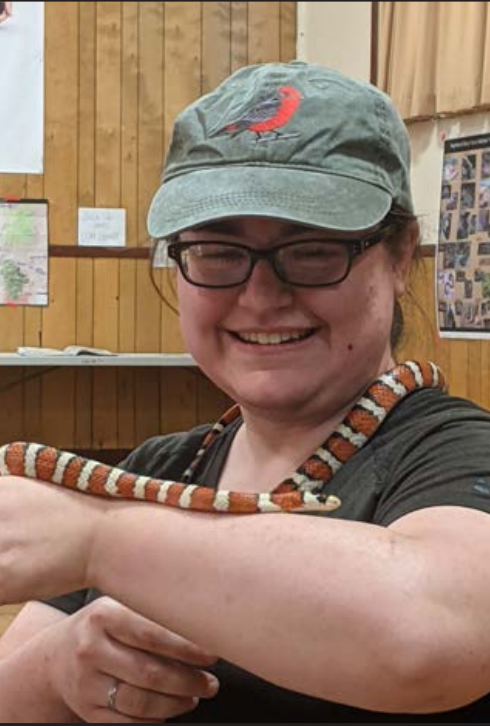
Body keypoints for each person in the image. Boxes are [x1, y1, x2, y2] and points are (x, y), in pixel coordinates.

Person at [2, 60, 490, 723]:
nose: (261, 296)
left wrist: (101, 543)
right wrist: (60, 667)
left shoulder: (454, 453)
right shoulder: (158, 468)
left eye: (315, 249)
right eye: (216, 251)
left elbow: (437, 637)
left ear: (401, 254)